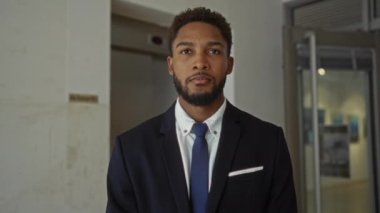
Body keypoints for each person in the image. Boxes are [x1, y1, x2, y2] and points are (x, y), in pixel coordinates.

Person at [106, 7, 297, 213]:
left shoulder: (268, 141)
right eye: (187, 51)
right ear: (171, 65)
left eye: (213, 51)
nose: (200, 63)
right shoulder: (132, 149)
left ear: (229, 64)